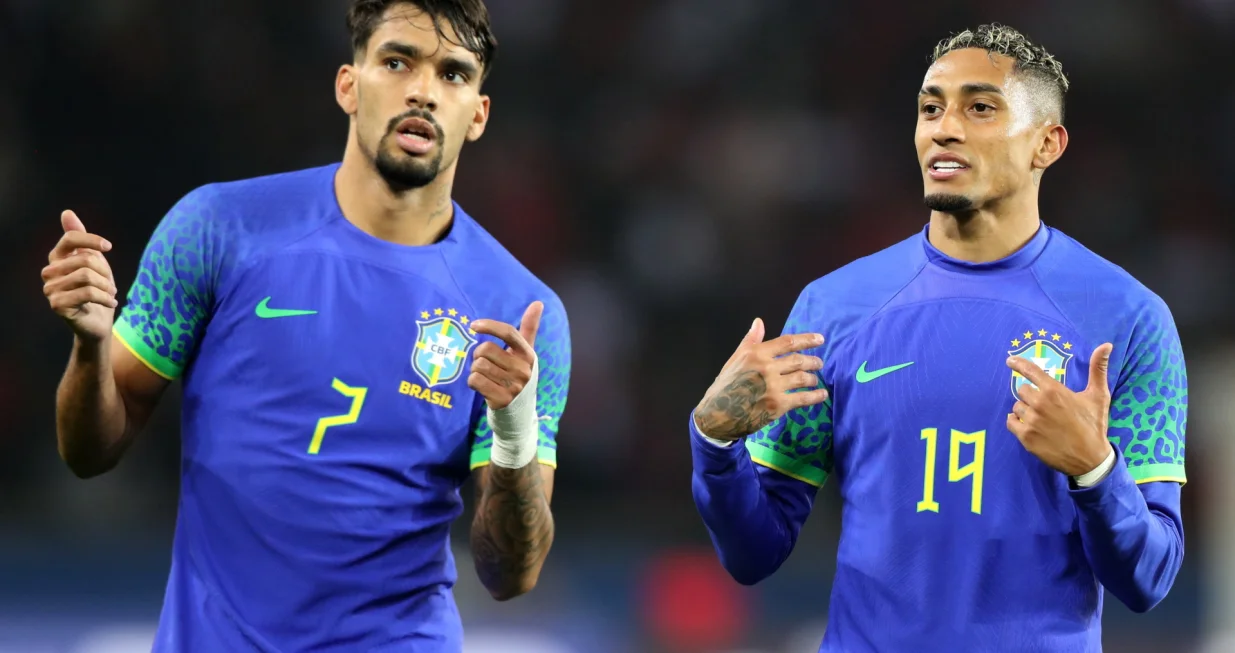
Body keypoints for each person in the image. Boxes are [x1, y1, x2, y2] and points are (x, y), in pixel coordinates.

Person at [40, 1, 570, 650]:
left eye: (454, 74)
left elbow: (509, 574)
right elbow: (89, 451)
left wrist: (512, 437)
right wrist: (90, 346)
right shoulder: (218, 229)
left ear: (479, 114)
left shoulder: (518, 313)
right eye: (397, 61)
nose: (423, 91)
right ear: (348, 84)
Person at [689, 23, 1185, 652]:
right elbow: (753, 554)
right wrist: (715, 442)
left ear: (1047, 145)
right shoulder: (836, 307)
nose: (943, 128)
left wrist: (1095, 471)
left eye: (980, 108)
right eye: (931, 108)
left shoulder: (1127, 319)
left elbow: (1150, 577)